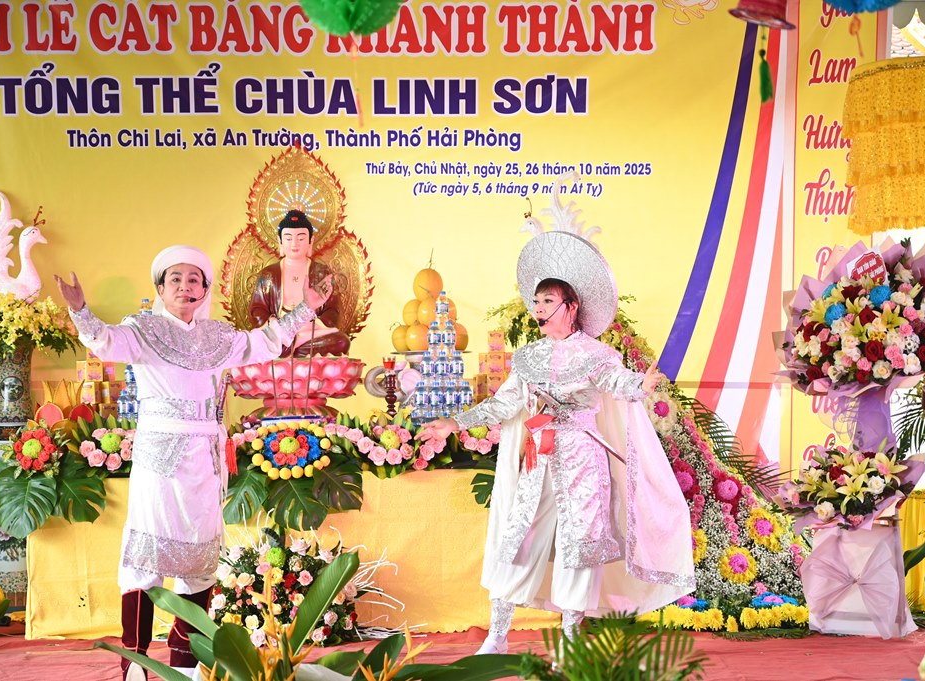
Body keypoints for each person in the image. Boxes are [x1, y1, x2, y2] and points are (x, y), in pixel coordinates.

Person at [55, 245, 332, 681]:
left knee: (200, 558)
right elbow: (104, 341)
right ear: (161, 287)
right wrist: (80, 311)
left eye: (193, 280)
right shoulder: (142, 329)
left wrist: (306, 309)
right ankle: (135, 663)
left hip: (205, 458)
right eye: (175, 279)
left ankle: (185, 662)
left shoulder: (218, 336)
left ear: (204, 289)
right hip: (159, 458)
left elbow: (264, 342)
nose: (185, 287)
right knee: (146, 555)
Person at [419, 231, 695, 655]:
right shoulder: (529, 356)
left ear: (572, 306)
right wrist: (455, 423)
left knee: (579, 544)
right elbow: (506, 402)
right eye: (536, 302)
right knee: (518, 538)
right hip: (538, 457)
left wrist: (640, 384)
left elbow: (617, 382)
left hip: (583, 457)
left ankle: (569, 642)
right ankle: (497, 637)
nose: (539, 309)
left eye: (548, 301)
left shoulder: (596, 354)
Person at [248, 209, 351, 357]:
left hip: (310, 331)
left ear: (310, 241)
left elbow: (333, 310)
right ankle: (287, 346)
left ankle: (287, 348)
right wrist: (273, 324)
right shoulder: (268, 274)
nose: (294, 244)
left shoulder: (321, 273)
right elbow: (257, 309)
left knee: (341, 341)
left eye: (301, 238)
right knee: (260, 341)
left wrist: (312, 326)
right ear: (280, 241)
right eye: (288, 238)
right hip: (279, 331)